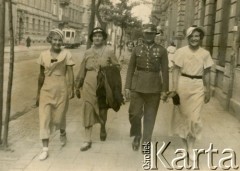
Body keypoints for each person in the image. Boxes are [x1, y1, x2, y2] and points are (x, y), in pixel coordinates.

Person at [171, 26, 214, 160]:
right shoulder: (180, 52)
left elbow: (207, 73)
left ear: (200, 38)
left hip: (198, 86)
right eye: (192, 36)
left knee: (194, 119)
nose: (194, 39)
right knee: (183, 117)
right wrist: (174, 89)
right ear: (188, 38)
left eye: (197, 36)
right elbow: (175, 70)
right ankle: (185, 146)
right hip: (183, 84)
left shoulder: (205, 54)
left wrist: (208, 89)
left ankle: (191, 146)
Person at [125, 23, 169, 151]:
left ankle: (146, 141)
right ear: (143, 34)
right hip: (137, 86)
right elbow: (130, 69)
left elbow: (165, 71)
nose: (149, 35)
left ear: (155, 35)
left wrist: (164, 90)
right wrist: (127, 86)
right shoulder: (136, 49)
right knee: (134, 113)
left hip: (154, 86)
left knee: (150, 115)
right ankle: (137, 134)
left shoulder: (162, 50)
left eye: (151, 33)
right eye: (146, 33)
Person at [75, 27, 120, 151]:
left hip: (103, 83)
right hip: (89, 82)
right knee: (88, 108)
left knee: (102, 109)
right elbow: (82, 69)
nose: (97, 38)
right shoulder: (87, 52)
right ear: (92, 38)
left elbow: (117, 67)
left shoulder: (109, 51)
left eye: (100, 36)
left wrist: (109, 71)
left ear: (104, 38)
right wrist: (78, 85)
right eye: (95, 36)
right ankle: (87, 139)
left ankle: (103, 126)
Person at [36, 28, 75, 161]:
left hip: (61, 89)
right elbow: (41, 75)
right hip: (46, 90)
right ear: (50, 40)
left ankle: (62, 131)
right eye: (54, 40)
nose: (57, 42)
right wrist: (37, 94)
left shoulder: (66, 54)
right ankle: (45, 149)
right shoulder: (43, 55)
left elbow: (70, 72)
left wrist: (71, 88)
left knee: (59, 118)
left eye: (59, 40)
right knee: (44, 119)